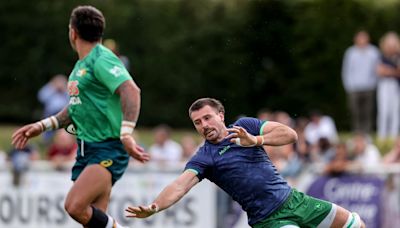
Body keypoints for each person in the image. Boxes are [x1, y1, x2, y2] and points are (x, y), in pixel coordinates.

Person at [125, 98, 365, 228]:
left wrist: (255, 140)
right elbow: (180, 185)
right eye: (197, 122)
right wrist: (155, 206)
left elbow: (290, 135)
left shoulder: (246, 127)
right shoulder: (204, 157)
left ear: (221, 115)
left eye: (207, 117)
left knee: (356, 224)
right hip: (268, 220)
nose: (204, 125)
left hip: (295, 200)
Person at [11, 5, 149, 228]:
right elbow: (75, 108)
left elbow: (131, 90)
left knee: (74, 206)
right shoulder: (81, 66)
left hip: (108, 148)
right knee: (92, 220)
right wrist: (43, 125)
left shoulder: (101, 59)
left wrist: (126, 134)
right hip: (88, 149)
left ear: (72, 32)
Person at [342, 30, 380, 134]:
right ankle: (357, 133)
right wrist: (348, 86)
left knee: (368, 112)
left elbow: (376, 70)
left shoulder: (374, 52)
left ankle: (367, 132)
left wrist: (373, 84)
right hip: (354, 88)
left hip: (369, 87)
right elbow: (347, 70)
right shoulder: (350, 52)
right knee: (355, 112)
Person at [376, 32, 400, 141]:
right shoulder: (381, 56)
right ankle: (382, 136)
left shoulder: (398, 56)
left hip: (396, 85)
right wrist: (393, 71)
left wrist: (388, 71)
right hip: (384, 85)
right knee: (383, 110)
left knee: (395, 111)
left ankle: (393, 135)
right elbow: (380, 71)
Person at [37, 74, 69, 144]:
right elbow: (41, 97)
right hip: (50, 113)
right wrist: (53, 89)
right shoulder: (50, 89)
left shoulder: (67, 90)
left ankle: (62, 143)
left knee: (62, 129)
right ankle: (47, 142)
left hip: (63, 113)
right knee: (48, 127)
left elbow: (71, 101)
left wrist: (64, 90)